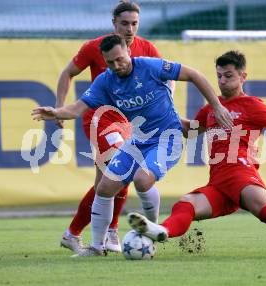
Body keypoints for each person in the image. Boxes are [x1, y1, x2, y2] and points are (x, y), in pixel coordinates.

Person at [127, 50, 266, 257]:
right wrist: (162, 111)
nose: (222, 81)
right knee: (185, 204)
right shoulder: (212, 108)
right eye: (219, 76)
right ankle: (162, 230)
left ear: (243, 76)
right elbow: (189, 131)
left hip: (240, 173)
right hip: (218, 182)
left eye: (229, 75)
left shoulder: (252, 105)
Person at [32, 34, 233, 257]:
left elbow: (194, 75)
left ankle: (152, 232)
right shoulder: (105, 81)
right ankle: (98, 247)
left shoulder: (150, 66)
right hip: (137, 141)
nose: (117, 65)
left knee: (141, 179)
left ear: (128, 51)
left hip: (168, 138)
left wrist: (216, 106)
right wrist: (57, 112)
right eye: (111, 62)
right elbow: (78, 108)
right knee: (105, 187)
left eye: (120, 59)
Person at [56, 1, 165, 253]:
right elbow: (67, 73)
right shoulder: (96, 47)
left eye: (134, 24)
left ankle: (83, 234)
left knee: (107, 183)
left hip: (126, 122)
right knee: (121, 170)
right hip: (98, 119)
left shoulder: (147, 48)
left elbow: (164, 79)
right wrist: (60, 107)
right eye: (124, 23)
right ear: (113, 23)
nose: (130, 29)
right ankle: (102, 233)